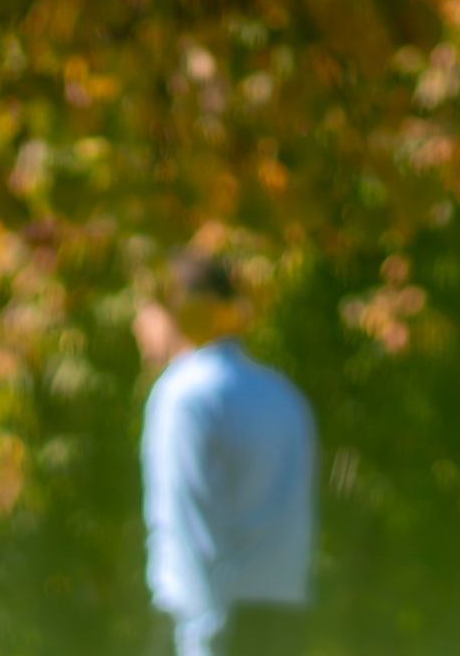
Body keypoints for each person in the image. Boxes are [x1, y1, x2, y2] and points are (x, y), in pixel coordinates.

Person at [136, 252, 316, 656]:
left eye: (147, 311)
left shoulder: (182, 394)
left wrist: (202, 643)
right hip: (283, 624)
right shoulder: (284, 394)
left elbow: (190, 530)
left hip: (207, 629)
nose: (138, 326)